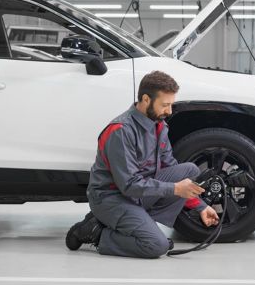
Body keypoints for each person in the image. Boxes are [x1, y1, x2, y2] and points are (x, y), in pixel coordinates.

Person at [65, 70, 219, 258]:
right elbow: (129, 184)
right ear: (146, 99)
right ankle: (97, 232)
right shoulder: (121, 131)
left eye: (171, 105)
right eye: (165, 105)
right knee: (156, 245)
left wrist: (200, 206)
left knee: (189, 170)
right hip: (111, 198)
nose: (169, 111)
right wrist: (175, 189)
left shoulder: (159, 126)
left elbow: (173, 171)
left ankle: (138, 222)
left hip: (139, 194)